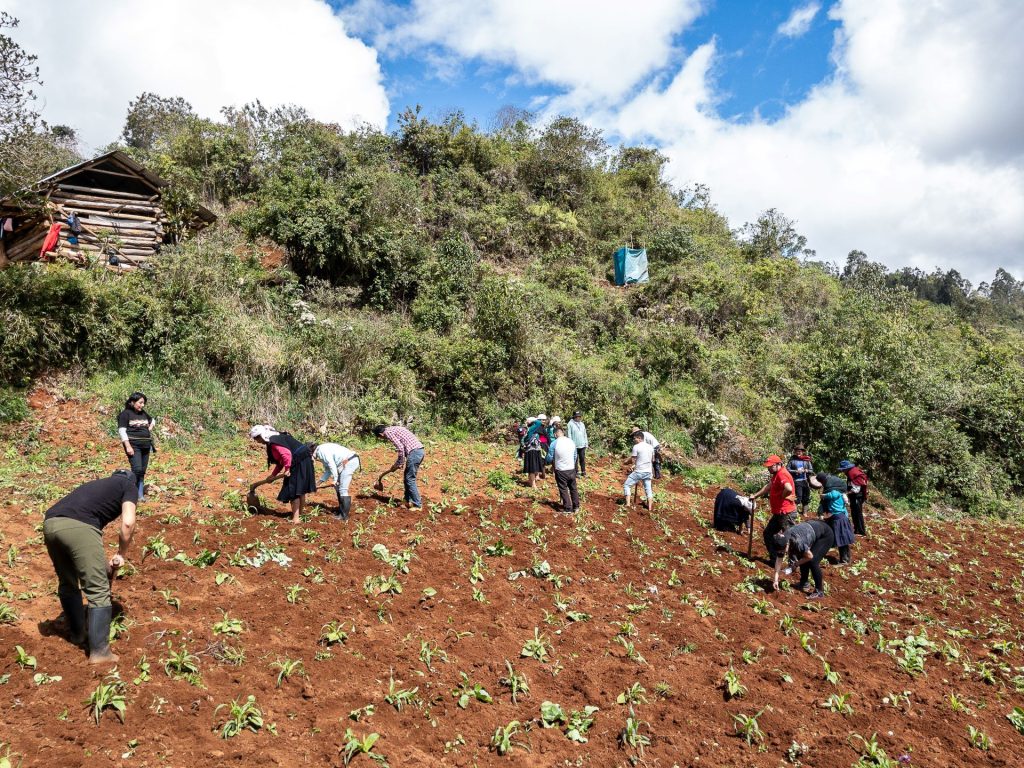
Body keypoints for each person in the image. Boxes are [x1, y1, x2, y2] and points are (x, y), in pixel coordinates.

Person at [43, 469, 137, 663]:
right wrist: (121, 554)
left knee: (68, 582)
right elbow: (128, 523)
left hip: (51, 523)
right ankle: (100, 653)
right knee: (98, 589)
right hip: (79, 526)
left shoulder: (97, 485)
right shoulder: (128, 486)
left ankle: (78, 635)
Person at [248, 425, 317, 523]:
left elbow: (286, 454)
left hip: (298, 462)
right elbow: (281, 461)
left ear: (260, 436)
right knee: (300, 490)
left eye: (256, 439)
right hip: (304, 459)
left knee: (294, 490)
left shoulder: (273, 441)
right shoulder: (276, 438)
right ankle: (298, 515)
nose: (256, 441)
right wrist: (273, 475)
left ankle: (296, 519)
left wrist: (287, 469)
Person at [749, 455, 798, 561]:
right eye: (768, 466)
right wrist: (756, 495)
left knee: (790, 538)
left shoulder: (782, 474)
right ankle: (775, 559)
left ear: (778, 464)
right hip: (779, 513)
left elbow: (788, 488)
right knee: (768, 534)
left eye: (771, 466)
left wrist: (783, 496)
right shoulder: (776, 474)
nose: (769, 468)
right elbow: (768, 486)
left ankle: (794, 563)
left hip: (786, 512)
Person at [772, 519, 835, 600]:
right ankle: (804, 583)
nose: (782, 552)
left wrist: (796, 564)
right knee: (802, 556)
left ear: (787, 544)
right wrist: (775, 580)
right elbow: (779, 560)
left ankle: (819, 591)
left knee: (813, 561)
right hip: (812, 529)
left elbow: (809, 556)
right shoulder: (780, 541)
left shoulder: (798, 542)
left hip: (825, 534)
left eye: (783, 550)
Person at [373, 424, 425, 510]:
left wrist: (399, 463)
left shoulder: (387, 432)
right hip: (417, 451)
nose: (384, 439)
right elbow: (404, 445)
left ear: (381, 434)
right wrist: (399, 463)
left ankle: (417, 504)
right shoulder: (393, 429)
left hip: (415, 452)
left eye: (381, 438)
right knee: (407, 478)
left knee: (410, 479)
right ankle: (407, 501)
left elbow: (400, 448)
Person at [117, 392, 155, 502]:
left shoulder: (143, 413)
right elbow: (122, 431)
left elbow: (152, 420)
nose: (142, 405)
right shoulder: (125, 414)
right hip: (134, 445)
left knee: (142, 470)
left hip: (146, 446)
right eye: (140, 403)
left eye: (144, 403)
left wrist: (150, 427)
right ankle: (129, 493)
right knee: (137, 469)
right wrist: (128, 446)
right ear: (132, 402)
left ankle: (140, 495)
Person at [811, 472, 855, 564]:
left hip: (838, 518)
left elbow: (828, 498)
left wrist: (824, 497)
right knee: (840, 538)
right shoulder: (839, 490)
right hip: (840, 516)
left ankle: (845, 560)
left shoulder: (833, 492)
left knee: (842, 539)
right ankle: (844, 558)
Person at [313, 442, 360, 522]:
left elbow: (332, 465)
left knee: (343, 489)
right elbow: (328, 470)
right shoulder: (321, 450)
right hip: (346, 462)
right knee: (338, 488)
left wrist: (335, 480)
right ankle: (341, 511)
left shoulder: (321, 451)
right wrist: (318, 483)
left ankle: (344, 516)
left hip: (349, 462)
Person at [546, 424, 580, 514]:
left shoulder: (554, 443)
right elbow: (575, 456)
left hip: (561, 470)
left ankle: (568, 508)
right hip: (571, 469)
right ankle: (576, 507)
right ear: (563, 433)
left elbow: (549, 457)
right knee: (573, 488)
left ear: (555, 435)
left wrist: (547, 462)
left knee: (563, 488)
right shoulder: (571, 442)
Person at [624, 430, 655, 511]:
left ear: (639, 438)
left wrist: (628, 463)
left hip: (639, 471)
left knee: (627, 485)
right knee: (648, 489)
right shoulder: (650, 447)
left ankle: (627, 505)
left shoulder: (636, 447)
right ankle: (650, 508)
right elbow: (652, 460)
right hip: (648, 471)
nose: (634, 440)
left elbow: (633, 460)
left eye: (635, 438)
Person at [837, 459, 869, 536]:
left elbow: (856, 489)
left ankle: (861, 531)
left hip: (857, 496)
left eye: (843, 470)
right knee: (854, 513)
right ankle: (857, 530)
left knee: (858, 513)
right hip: (854, 496)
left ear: (846, 468)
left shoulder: (853, 474)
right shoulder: (851, 473)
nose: (842, 471)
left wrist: (846, 493)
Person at [787, 444, 814, 517]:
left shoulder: (806, 460)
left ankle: (804, 512)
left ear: (802, 452)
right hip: (796, 480)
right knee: (798, 496)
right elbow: (788, 469)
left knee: (806, 496)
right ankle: (793, 511)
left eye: (800, 451)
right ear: (795, 452)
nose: (799, 453)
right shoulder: (792, 460)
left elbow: (811, 470)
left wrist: (806, 470)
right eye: (797, 451)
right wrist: (796, 471)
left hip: (805, 480)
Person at [521, 416, 544, 488]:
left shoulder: (528, 429)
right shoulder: (531, 429)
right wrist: (533, 421)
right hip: (532, 450)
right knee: (532, 468)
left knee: (531, 467)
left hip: (531, 450)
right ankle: (533, 484)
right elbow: (539, 422)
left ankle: (530, 481)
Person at [567, 411, 589, 476]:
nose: (579, 418)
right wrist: (571, 444)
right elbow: (569, 435)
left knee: (582, 458)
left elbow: (585, 434)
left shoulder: (582, 424)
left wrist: (586, 443)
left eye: (579, 416)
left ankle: (583, 471)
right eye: (577, 416)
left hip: (582, 444)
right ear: (574, 417)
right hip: (574, 445)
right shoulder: (570, 424)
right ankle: (576, 472)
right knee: (575, 459)